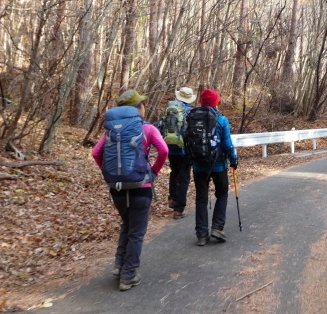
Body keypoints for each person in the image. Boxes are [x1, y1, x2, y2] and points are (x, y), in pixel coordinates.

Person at [92, 89, 168, 291]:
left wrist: (108, 173)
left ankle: (119, 266)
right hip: (140, 186)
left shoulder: (110, 130)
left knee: (127, 224)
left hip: (116, 187)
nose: (145, 107)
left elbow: (96, 152)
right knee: (136, 232)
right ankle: (129, 275)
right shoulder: (148, 129)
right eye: (143, 104)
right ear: (138, 107)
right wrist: (154, 172)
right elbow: (164, 150)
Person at [189, 89, 238, 246]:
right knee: (222, 194)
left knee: (201, 198)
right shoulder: (221, 120)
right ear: (217, 101)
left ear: (201, 102)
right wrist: (233, 159)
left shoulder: (190, 117)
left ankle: (201, 234)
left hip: (198, 164)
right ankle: (217, 227)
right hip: (218, 164)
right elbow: (227, 144)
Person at [159, 87, 196, 220]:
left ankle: (172, 199)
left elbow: (160, 126)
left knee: (174, 173)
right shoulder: (190, 111)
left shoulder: (169, 110)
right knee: (184, 177)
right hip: (184, 149)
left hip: (170, 147)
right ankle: (179, 209)